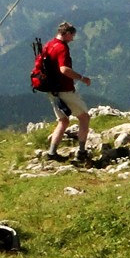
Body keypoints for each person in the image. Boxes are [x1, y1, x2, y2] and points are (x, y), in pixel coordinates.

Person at [44, 21, 94, 159]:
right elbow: (64, 69)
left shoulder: (49, 45)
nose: (73, 38)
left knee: (63, 121)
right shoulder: (61, 48)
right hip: (64, 89)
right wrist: (82, 78)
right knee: (84, 117)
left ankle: (51, 153)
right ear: (66, 34)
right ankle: (82, 153)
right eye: (72, 35)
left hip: (51, 90)